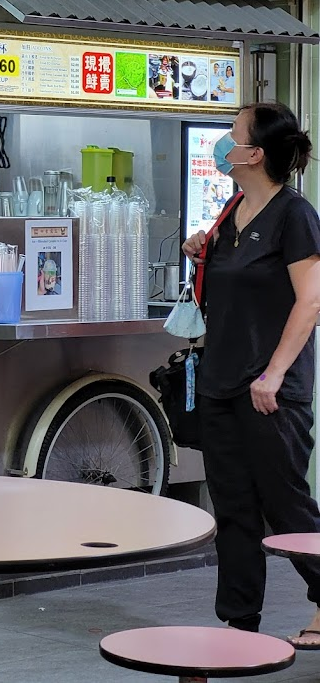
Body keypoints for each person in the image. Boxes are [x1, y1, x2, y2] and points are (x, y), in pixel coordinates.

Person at [182, 103, 320, 647]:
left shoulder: (294, 215)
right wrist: (201, 248)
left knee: (286, 506)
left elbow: (310, 302)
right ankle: (239, 624)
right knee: (234, 506)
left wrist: (273, 375)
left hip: (271, 391)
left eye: (232, 135)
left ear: (255, 154)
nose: (224, 143)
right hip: (220, 382)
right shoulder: (230, 211)